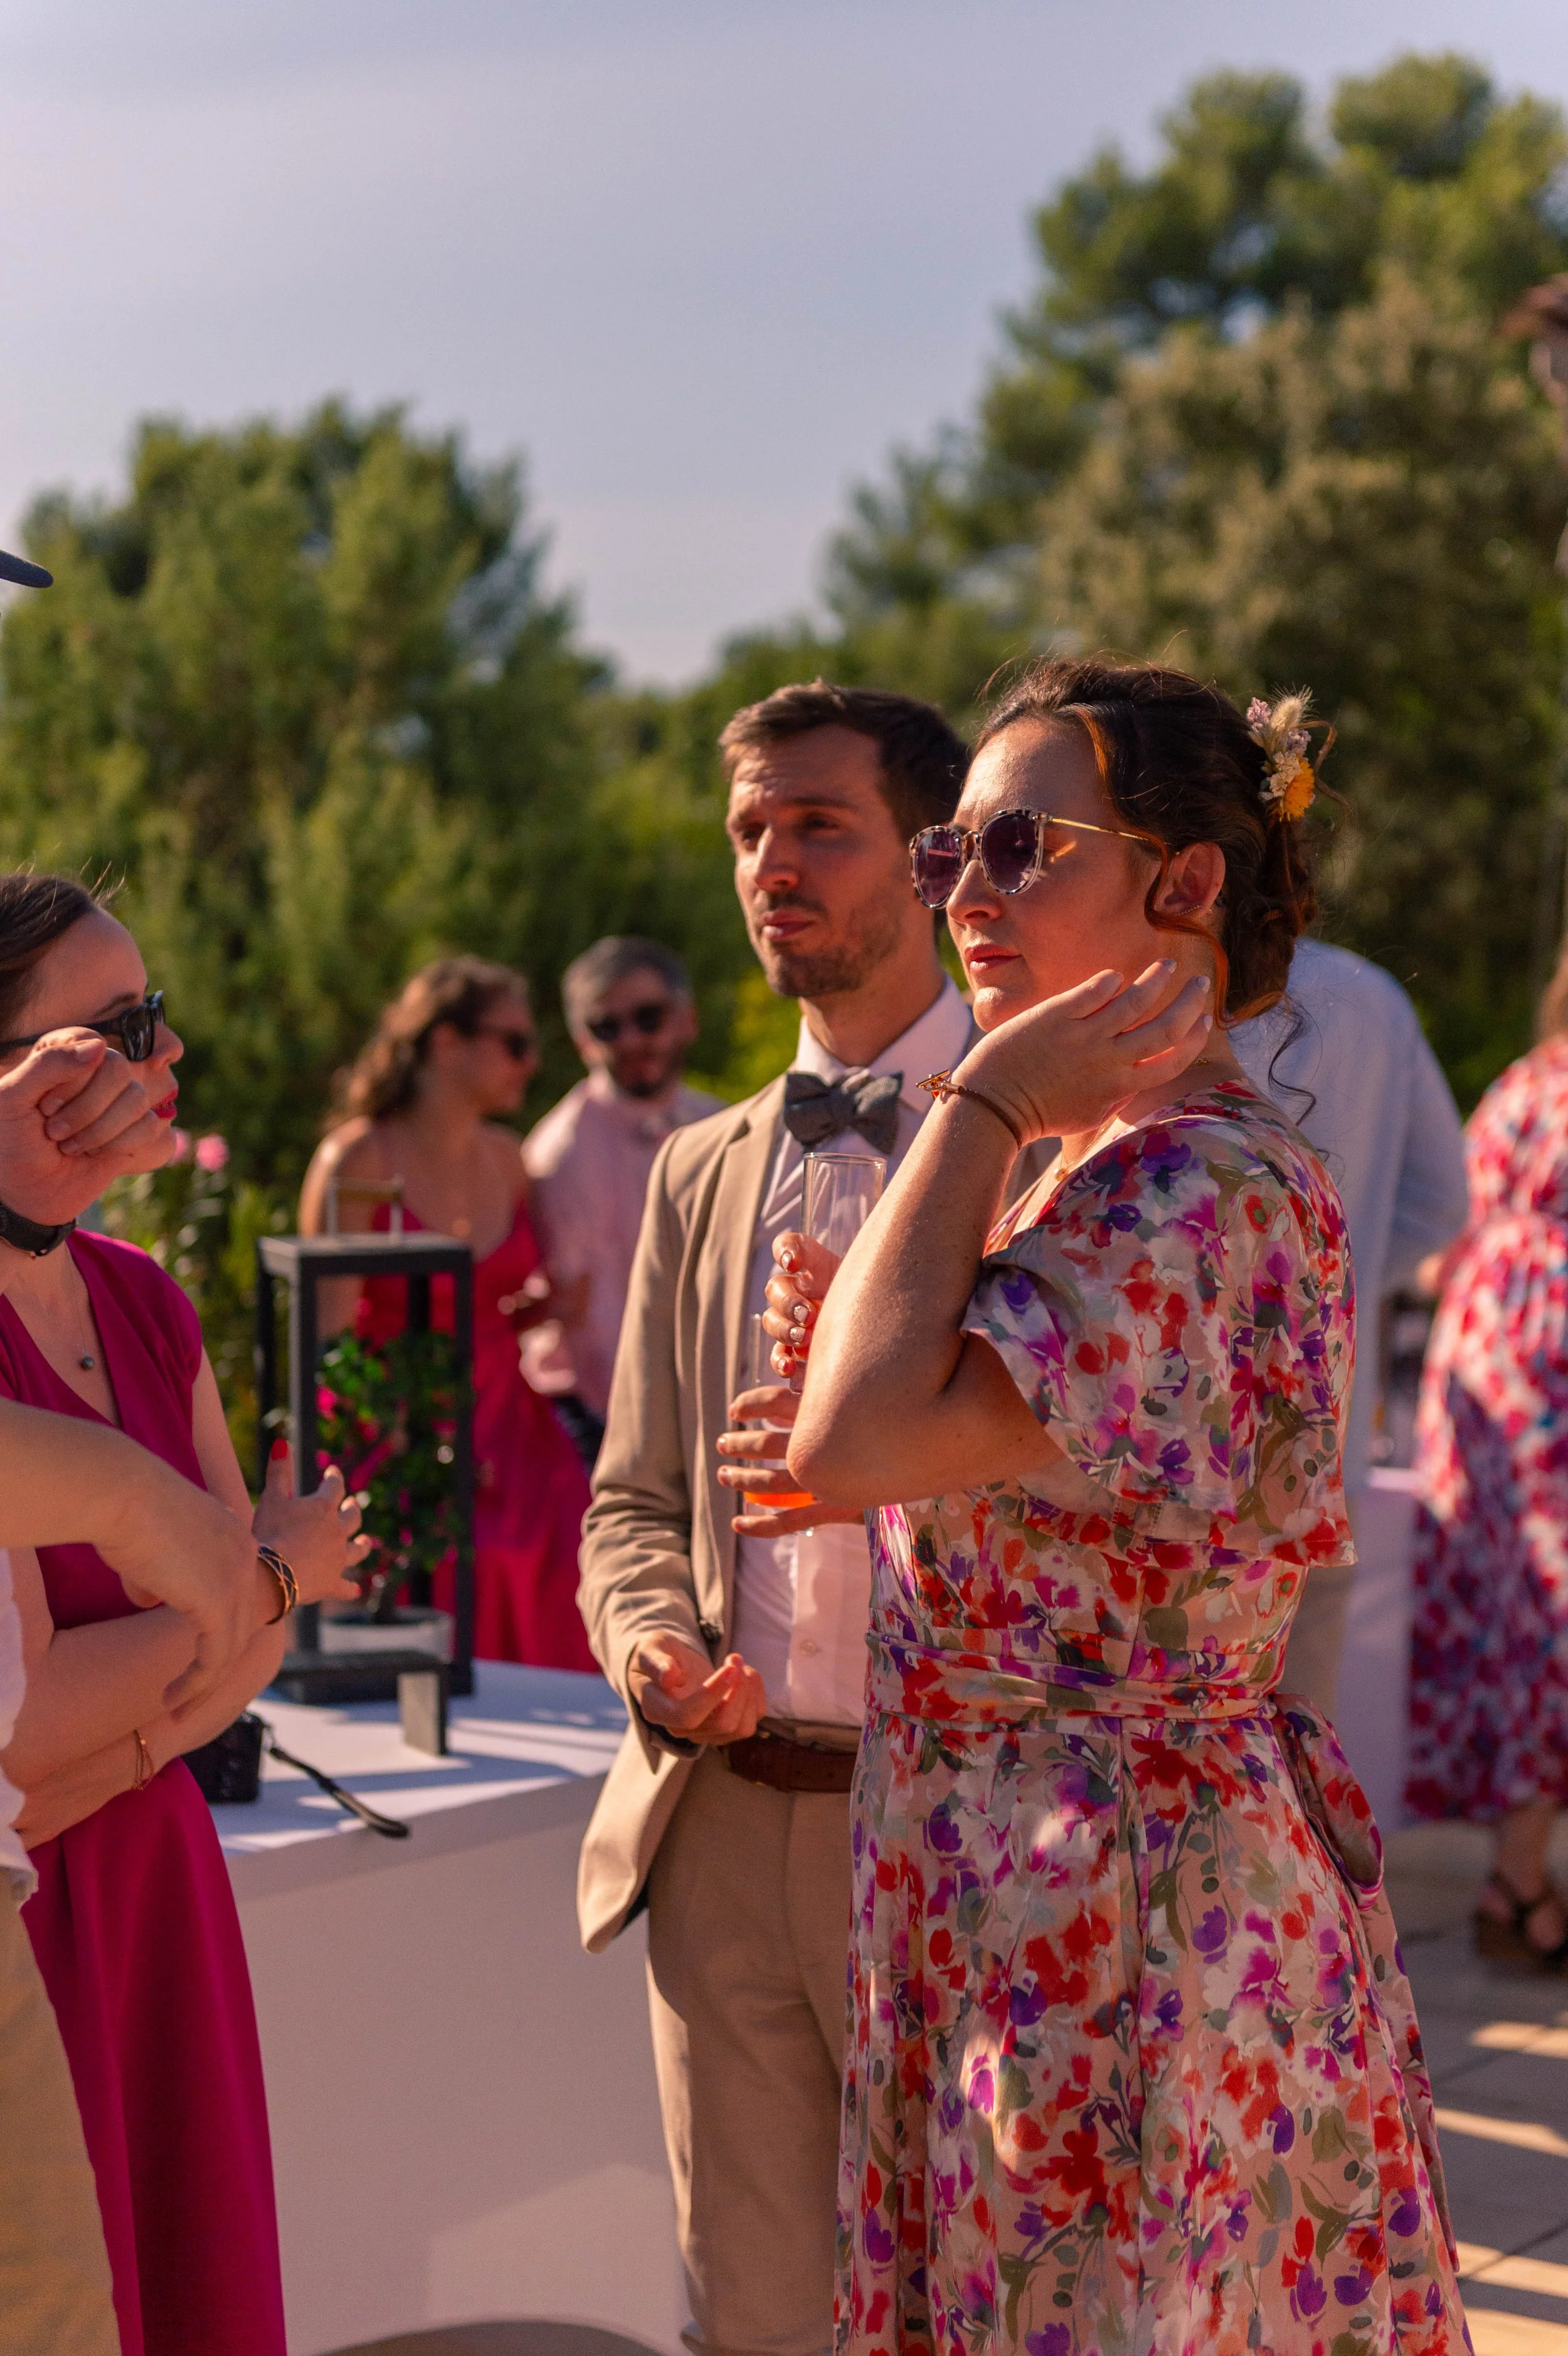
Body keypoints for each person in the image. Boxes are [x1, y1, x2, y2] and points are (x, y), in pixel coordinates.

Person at [783, 660, 1465, 2353]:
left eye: (1019, 844)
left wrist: (985, 1094)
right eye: (949, 854)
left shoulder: (1192, 1181)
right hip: (1048, 1875)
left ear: (1181, 886)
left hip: (1104, 1907)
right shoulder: (1117, 1162)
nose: (966, 896)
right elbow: (882, 1436)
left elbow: (854, 1435)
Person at [577, 681, 1044, 2356]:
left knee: (980, 2317)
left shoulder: (1054, 1144)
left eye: (817, 827)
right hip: (720, 1826)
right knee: (752, 2322)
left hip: (968, 1828)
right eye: (748, 834)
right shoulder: (698, 1169)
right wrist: (645, 1639)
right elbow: (631, 1501)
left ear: (929, 863)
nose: (771, 863)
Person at [0, 870, 369, 2356]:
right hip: (40, 1907)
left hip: (152, 1877)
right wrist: (257, 1576)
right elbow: (33, 1726)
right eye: (121, 1027)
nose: (168, 1059)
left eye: (159, 1018)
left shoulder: (146, 1296)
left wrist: (236, 1603)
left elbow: (245, 1648)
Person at [301, 956, 595, 1670]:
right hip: (393, 1418)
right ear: (445, 1043)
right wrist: (386, 1436)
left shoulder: (507, 1158)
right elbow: (326, 1337)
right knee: (459, 1567)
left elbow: (481, 1304)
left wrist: (539, 1312)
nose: (530, 1064)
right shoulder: (357, 1158)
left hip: (508, 1417)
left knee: (577, 1542)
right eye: (515, 1044)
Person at [1232, 939, 1468, 1712]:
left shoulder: (1147, 970)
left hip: (1165, 1444)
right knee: (1301, 1758)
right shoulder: (1374, 996)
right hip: (1326, 1443)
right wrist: (1339, 1290)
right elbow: (1441, 1203)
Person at [1407, 937, 1568, 1966]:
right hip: (1547, 1376)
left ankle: (1518, 1881)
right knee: (1547, 1623)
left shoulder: (1524, 1081)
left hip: (1478, 1365)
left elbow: (1433, 1252)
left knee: (1515, 1617)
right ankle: (1519, 1884)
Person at [524, 937, 721, 1463]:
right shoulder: (560, 1154)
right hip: (594, 1423)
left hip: (704, 1409)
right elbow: (593, 1326)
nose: (631, 1040)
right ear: (583, 1042)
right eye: (606, 1027)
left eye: (649, 1017)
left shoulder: (721, 1125)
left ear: (687, 1020)